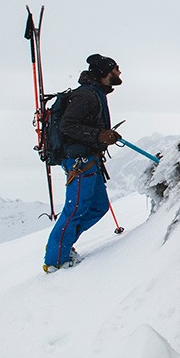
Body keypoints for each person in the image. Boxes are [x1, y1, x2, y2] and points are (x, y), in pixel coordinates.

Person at [43, 54, 123, 273]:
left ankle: (64, 245)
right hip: (79, 161)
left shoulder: (95, 93)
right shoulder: (87, 95)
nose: (120, 72)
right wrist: (99, 136)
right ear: (106, 73)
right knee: (75, 209)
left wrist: (101, 136)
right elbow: (67, 126)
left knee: (98, 206)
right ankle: (56, 260)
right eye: (116, 68)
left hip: (89, 160)